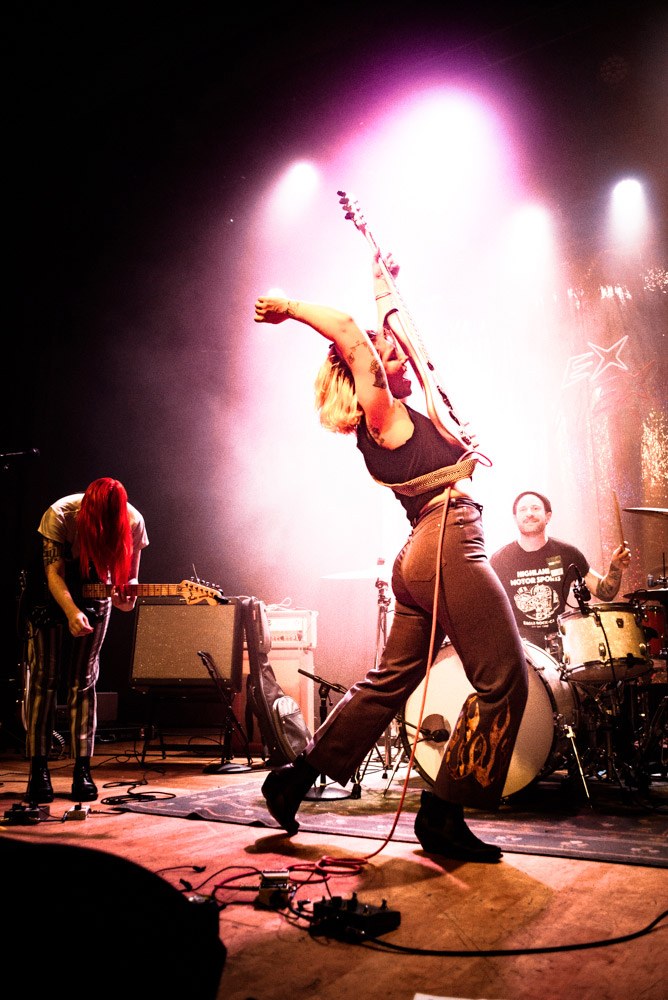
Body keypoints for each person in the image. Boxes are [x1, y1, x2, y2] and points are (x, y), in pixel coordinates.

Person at [253, 260, 529, 863]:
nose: (397, 358)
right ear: (365, 375)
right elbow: (353, 333)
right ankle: (442, 813)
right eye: (386, 358)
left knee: (386, 685)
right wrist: (290, 306)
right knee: (504, 679)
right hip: (447, 541)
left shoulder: (397, 418)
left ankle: (293, 780)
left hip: (423, 552)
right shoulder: (384, 416)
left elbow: (388, 327)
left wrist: (384, 275)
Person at [25, 478, 148, 803]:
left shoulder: (134, 522)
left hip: (96, 592)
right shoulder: (61, 514)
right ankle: (39, 769)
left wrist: (129, 590)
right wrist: (69, 611)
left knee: (83, 682)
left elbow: (129, 583)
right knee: (44, 681)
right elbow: (54, 573)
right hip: (50, 597)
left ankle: (83, 769)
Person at [490, 491, 631, 645]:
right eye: (523, 510)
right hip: (520, 648)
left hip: (559, 644)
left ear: (548, 516)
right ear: (515, 518)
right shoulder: (499, 560)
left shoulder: (567, 553)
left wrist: (615, 568)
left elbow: (604, 592)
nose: (529, 513)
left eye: (535, 508)